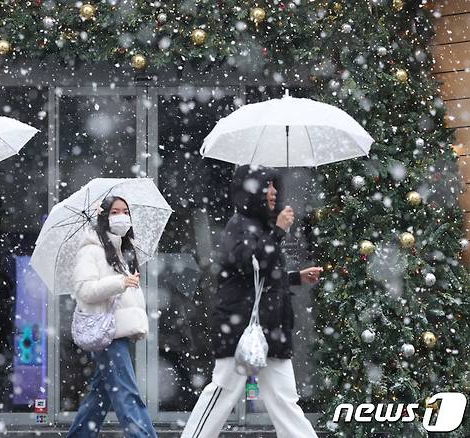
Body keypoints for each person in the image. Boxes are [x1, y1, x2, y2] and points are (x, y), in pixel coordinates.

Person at [181, 165, 323, 438]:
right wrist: (279, 231)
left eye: (274, 185)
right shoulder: (240, 225)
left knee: (284, 400)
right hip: (242, 326)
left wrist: (294, 277)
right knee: (223, 390)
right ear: (252, 190)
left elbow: (263, 274)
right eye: (267, 185)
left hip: (270, 327)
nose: (274, 191)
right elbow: (250, 264)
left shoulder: (260, 226)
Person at [67, 196, 157, 438]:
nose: (121, 216)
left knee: (101, 395)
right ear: (104, 216)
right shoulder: (91, 250)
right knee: (127, 393)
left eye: (125, 211)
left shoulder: (120, 251)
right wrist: (120, 282)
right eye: (115, 211)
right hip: (107, 332)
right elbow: (84, 290)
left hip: (116, 331)